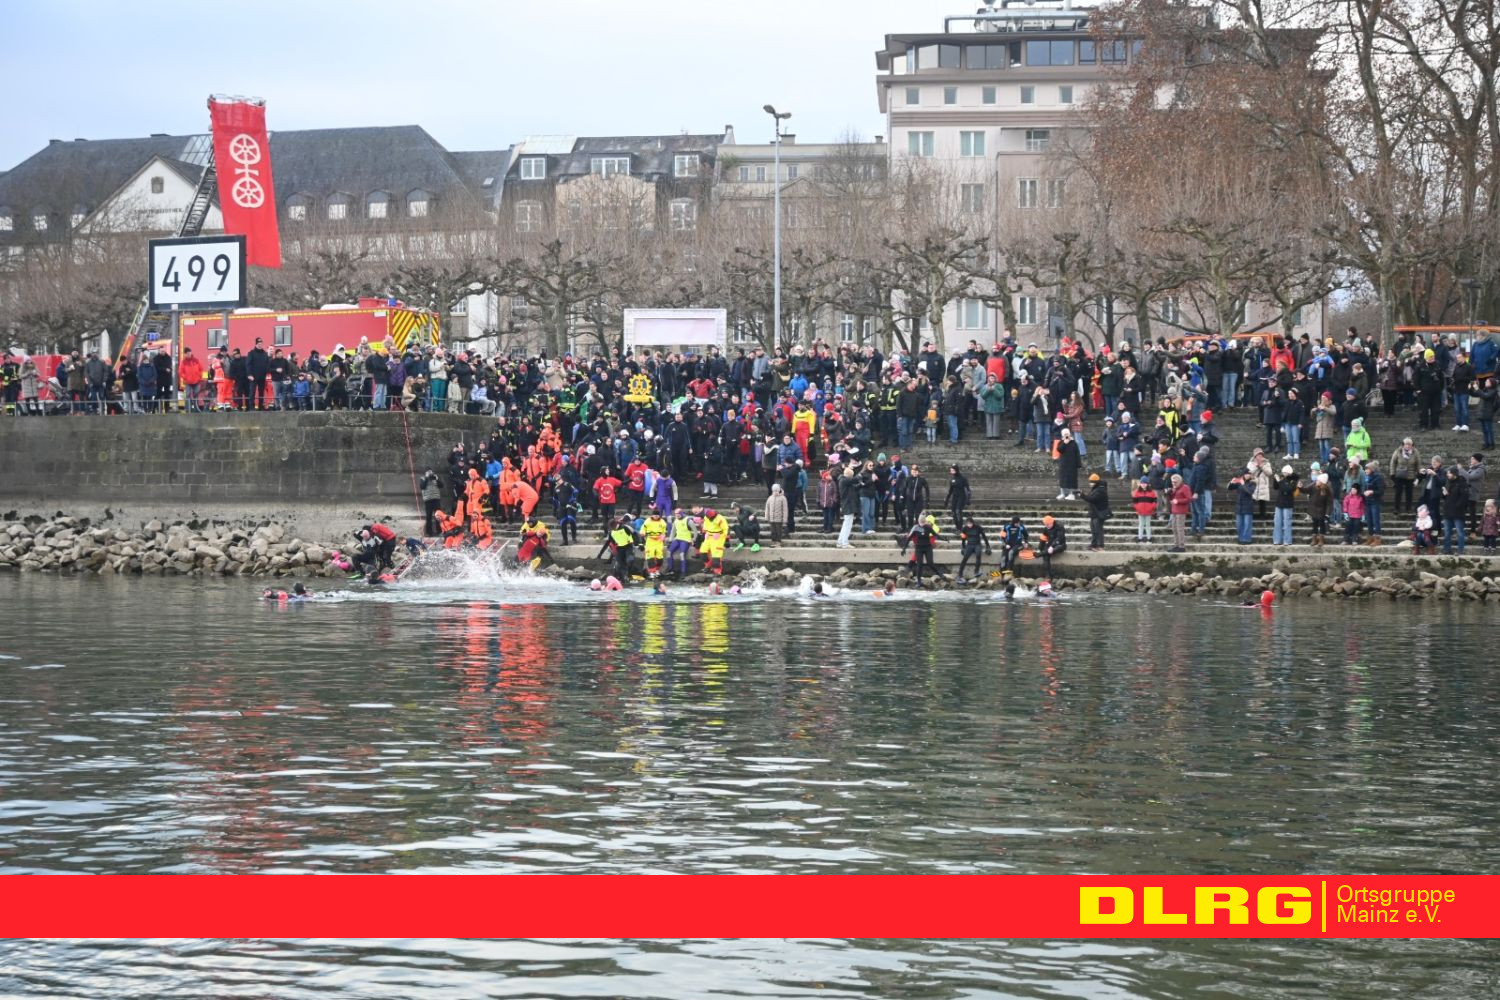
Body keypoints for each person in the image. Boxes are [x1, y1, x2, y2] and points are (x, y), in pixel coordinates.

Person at [900, 511, 944, 585]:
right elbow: (909, 538)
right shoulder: (916, 528)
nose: (923, 525)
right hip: (919, 548)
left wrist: (944, 539)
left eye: (924, 523)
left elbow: (935, 534)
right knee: (919, 565)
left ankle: (940, 574)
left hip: (928, 547)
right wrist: (904, 548)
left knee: (930, 563)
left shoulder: (928, 527)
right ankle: (919, 582)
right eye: (922, 523)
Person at [1440, 466, 1469, 554]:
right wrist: (1444, 494)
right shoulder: (1448, 482)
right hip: (1447, 511)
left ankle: (1460, 550)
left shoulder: (1462, 482)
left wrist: (1457, 506)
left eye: (1449, 473)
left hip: (1458, 512)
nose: (1447, 474)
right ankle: (1447, 549)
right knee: (1447, 532)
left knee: (1460, 532)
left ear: (1454, 473)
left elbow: (1464, 497)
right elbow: (1445, 497)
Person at [956, 515, 991, 581]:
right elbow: (963, 539)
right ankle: (960, 574)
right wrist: (963, 547)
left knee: (978, 554)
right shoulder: (965, 528)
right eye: (968, 524)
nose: (969, 525)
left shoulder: (978, 527)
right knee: (965, 558)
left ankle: (976, 572)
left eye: (970, 523)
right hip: (969, 544)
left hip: (977, 544)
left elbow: (984, 537)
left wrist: (987, 546)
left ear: (973, 522)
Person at [1272, 465, 1300, 547]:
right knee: (1277, 522)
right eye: (1283, 472)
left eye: (1284, 472)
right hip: (1279, 503)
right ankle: (1277, 540)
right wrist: (1275, 480)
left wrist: (1280, 481)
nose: (1283, 473)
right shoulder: (1282, 479)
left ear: (1288, 473)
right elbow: (1276, 487)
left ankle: (1287, 540)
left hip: (1288, 504)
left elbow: (1287, 489)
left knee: (1287, 523)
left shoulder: (1293, 481)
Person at [699, 507, 730, 576]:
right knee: (702, 552)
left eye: (711, 518)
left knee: (716, 556)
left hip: (718, 537)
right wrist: (703, 534)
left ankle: (717, 572)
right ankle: (708, 566)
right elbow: (705, 526)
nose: (710, 519)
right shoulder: (706, 517)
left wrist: (727, 540)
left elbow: (726, 529)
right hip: (708, 536)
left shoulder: (720, 519)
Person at [1083, 473, 1110, 550]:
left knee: (1098, 530)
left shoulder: (1100, 490)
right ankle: (1094, 545)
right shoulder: (1095, 489)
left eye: (1091, 482)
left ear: (1096, 482)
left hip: (1098, 514)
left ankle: (1100, 545)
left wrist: (1082, 495)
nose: (1090, 483)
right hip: (1094, 513)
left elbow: (1092, 499)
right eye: (1090, 482)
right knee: (1093, 530)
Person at [1167, 473, 1193, 552]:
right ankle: (1176, 545)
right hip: (1174, 511)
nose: (1173, 483)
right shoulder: (1175, 488)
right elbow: (1172, 499)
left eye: (1175, 482)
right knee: (1174, 529)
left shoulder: (1185, 487)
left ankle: (1181, 546)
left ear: (1179, 481)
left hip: (1181, 511)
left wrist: (1178, 501)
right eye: (1172, 482)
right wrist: (1169, 493)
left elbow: (1189, 499)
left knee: (1180, 529)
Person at [639, 509, 668, 577]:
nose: (656, 517)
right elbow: (643, 529)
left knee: (660, 557)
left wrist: (663, 536)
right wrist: (642, 534)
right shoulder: (647, 521)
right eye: (655, 515)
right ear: (652, 515)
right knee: (650, 557)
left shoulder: (662, 522)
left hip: (659, 540)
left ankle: (657, 570)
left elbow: (664, 532)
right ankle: (651, 572)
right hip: (650, 540)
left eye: (657, 516)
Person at [1055, 428, 1081, 500]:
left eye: (1067, 434)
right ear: (1062, 435)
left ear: (1069, 434)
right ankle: (1062, 494)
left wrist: (1079, 464)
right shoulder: (1061, 442)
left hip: (1072, 465)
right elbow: (1059, 450)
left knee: (1072, 480)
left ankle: (1071, 494)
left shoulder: (1074, 443)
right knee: (1062, 479)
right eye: (1064, 434)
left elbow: (1077, 454)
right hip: (1063, 464)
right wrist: (1064, 443)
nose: (1066, 435)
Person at [1131, 478, 1158, 544]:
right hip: (1140, 512)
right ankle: (1140, 539)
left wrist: (1151, 508)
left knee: (1148, 525)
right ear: (1140, 484)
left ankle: (1149, 539)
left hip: (1148, 512)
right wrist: (1138, 508)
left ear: (1147, 484)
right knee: (1141, 525)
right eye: (1142, 483)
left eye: (1145, 483)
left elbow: (1155, 501)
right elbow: (1134, 502)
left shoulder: (1152, 492)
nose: (1143, 484)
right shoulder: (1137, 492)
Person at [945, 464, 971, 529]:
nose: (951, 472)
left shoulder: (963, 479)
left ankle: (960, 528)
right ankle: (957, 527)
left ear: (956, 470)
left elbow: (968, 489)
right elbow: (950, 491)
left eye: (952, 470)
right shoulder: (952, 479)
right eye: (951, 470)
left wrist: (968, 499)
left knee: (958, 511)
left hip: (961, 497)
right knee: (953, 512)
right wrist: (947, 499)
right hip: (955, 497)